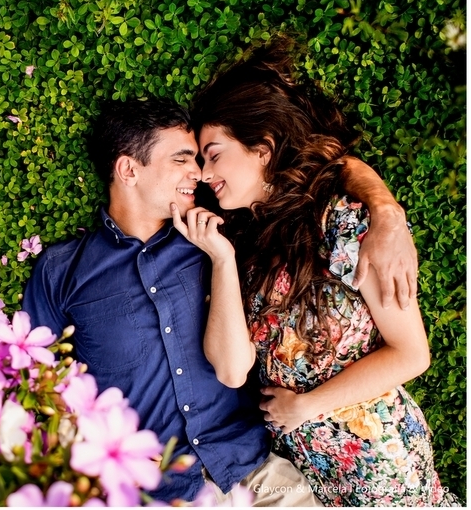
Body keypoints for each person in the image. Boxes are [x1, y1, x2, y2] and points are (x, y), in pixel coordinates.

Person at [22, 98, 417, 504]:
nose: (200, 174)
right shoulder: (62, 271)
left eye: (201, 159)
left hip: (255, 473)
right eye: (182, 160)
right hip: (157, 492)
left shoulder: (223, 231)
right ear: (128, 169)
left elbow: (329, 167)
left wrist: (386, 209)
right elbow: (37, 386)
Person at [179, 41, 456, 506]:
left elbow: (411, 354)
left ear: (263, 149)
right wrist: (222, 259)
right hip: (306, 474)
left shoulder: (341, 223)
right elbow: (231, 367)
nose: (205, 173)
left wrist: (307, 406)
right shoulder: (244, 248)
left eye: (214, 154)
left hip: (378, 465)